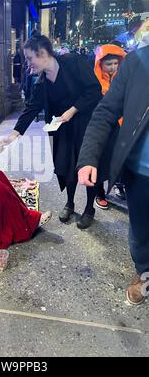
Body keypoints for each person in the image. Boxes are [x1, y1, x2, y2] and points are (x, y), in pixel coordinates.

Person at [0, 34, 102, 229]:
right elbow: (31, 108)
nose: (28, 64)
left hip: (85, 124)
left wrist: (72, 110)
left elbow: (94, 90)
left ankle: (89, 208)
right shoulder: (42, 81)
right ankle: (70, 203)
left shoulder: (74, 62)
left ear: (43, 53)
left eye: (29, 58)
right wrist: (13, 134)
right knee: (66, 165)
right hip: (61, 127)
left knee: (87, 165)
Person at [77, 45, 149, 305]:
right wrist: (88, 158)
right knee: (141, 232)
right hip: (139, 173)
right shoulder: (138, 62)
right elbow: (105, 112)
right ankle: (144, 273)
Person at [93, 44, 126, 209]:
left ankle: (120, 186)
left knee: (121, 159)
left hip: (121, 126)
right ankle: (99, 193)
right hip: (104, 128)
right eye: (108, 64)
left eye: (115, 63)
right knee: (101, 160)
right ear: (100, 64)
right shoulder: (95, 81)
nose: (112, 67)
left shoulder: (125, 78)